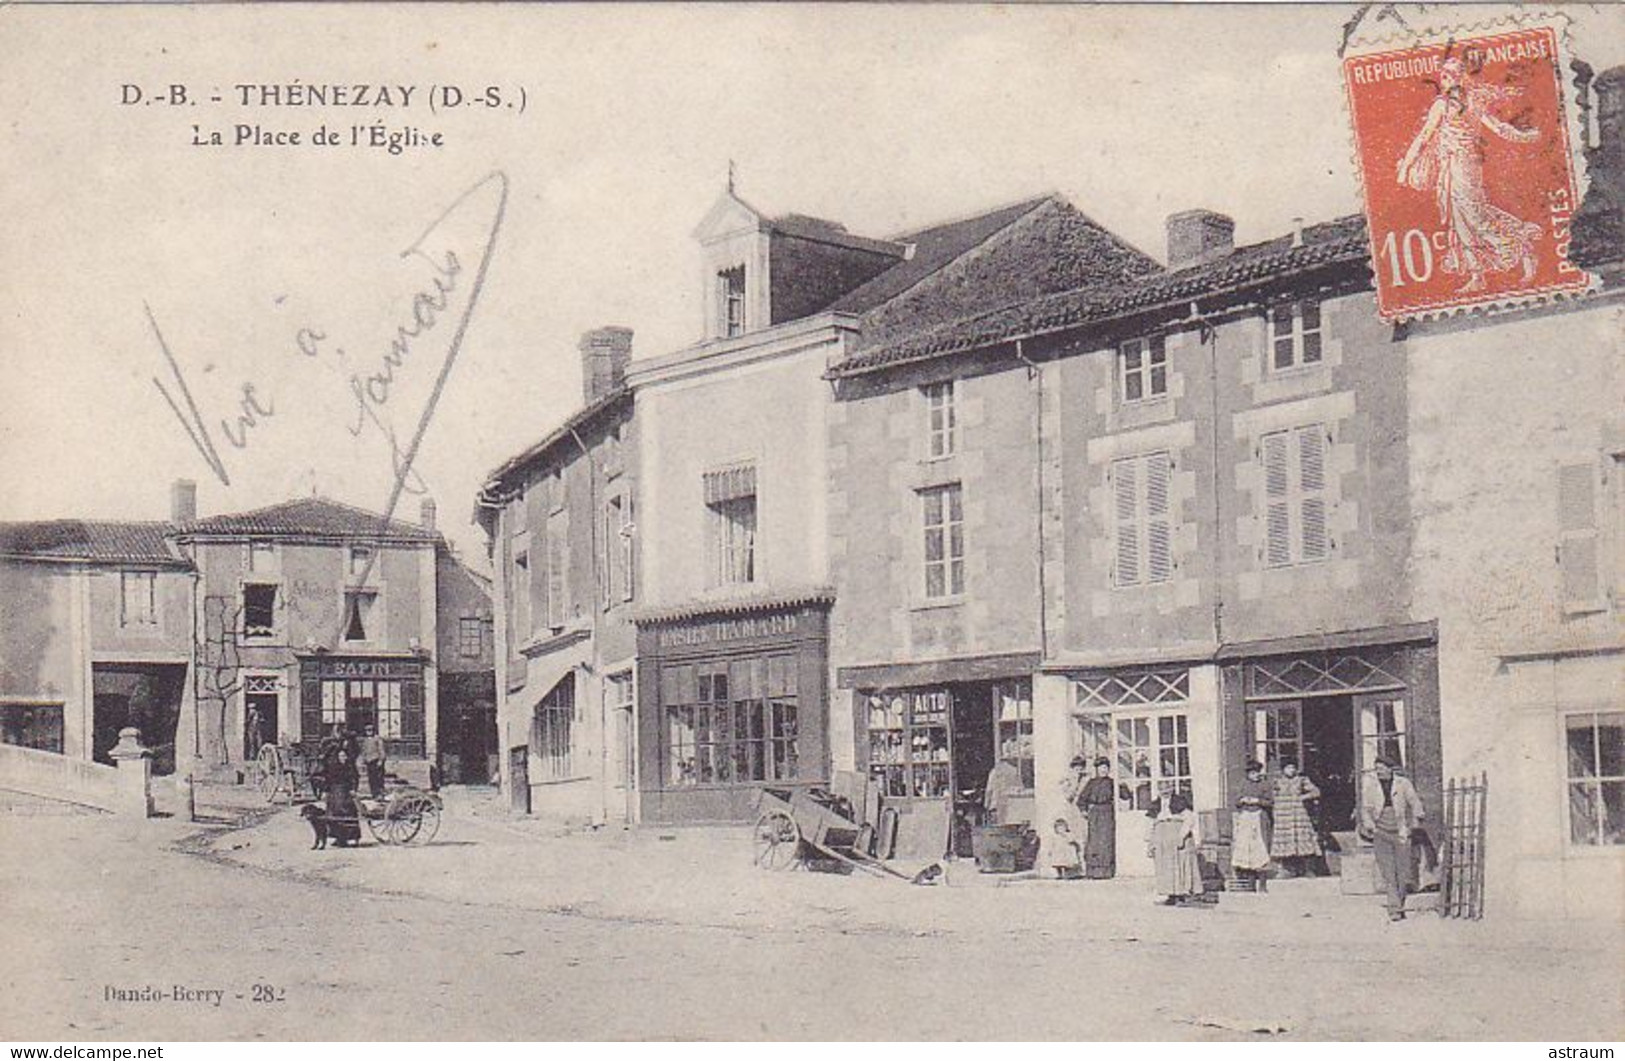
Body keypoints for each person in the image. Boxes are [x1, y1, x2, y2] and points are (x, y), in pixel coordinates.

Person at [1396, 55, 1543, 294]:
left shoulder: (1444, 105)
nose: (1442, 80)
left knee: (1475, 218)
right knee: (1461, 219)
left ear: (1455, 79)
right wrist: (1524, 136)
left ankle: (1519, 247)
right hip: (1456, 167)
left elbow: (1424, 138)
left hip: (1461, 167)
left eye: (1446, 76)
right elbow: (1499, 128)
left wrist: (1405, 169)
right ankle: (1478, 275)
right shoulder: (1468, 101)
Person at [1359, 756, 1426, 922]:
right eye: (1377, 769)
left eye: (1381, 768)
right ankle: (1394, 909)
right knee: (1388, 873)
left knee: (1402, 873)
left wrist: (1415, 822)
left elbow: (1415, 803)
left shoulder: (1403, 783)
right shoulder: (1372, 786)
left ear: (1390, 768)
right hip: (1381, 832)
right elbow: (1365, 808)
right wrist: (1370, 826)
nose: (1379, 772)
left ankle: (1399, 903)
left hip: (1401, 832)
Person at [1148, 791, 1204, 906]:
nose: (1164, 791)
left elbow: (1190, 820)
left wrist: (1182, 836)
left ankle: (1182, 896)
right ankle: (1171, 895)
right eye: (1161, 788)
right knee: (1165, 868)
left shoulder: (1180, 802)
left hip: (1177, 836)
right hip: (1162, 839)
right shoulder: (1155, 805)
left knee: (1180, 866)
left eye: (1167, 788)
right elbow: (1151, 824)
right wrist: (1151, 843)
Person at [1270, 760, 1323, 876]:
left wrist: (1303, 797)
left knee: (1303, 839)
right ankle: (1287, 870)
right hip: (1283, 815)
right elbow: (1271, 797)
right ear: (1283, 770)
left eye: (1293, 768)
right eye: (1288, 768)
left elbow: (1316, 792)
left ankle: (1309, 870)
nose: (1291, 770)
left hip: (1299, 814)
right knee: (1285, 841)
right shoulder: (1277, 781)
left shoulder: (1302, 780)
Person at [1231, 759, 1274, 892]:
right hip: (1246, 818)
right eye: (1252, 773)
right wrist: (1242, 800)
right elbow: (1236, 801)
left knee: (1259, 849)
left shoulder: (1265, 784)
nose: (1255, 775)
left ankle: (1262, 883)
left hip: (1258, 817)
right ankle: (1250, 883)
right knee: (1247, 848)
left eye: (1257, 773)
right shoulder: (1243, 784)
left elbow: (1270, 802)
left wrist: (1258, 801)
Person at [1076, 757, 1117, 879]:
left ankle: (1106, 872)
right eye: (1101, 768)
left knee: (1106, 841)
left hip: (1107, 812)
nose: (1104, 770)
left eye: (1106, 767)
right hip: (1094, 814)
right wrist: (1083, 810)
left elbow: (1124, 795)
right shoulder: (1091, 783)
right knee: (1094, 842)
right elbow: (1081, 799)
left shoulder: (1111, 782)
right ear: (1097, 769)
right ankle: (1093, 872)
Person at [324, 747, 361, 847]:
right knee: (334, 815)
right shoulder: (333, 767)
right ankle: (339, 838)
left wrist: (353, 789)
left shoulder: (350, 767)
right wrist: (326, 791)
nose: (343, 758)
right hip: (334, 792)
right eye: (341, 756)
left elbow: (355, 778)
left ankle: (352, 837)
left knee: (347, 813)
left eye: (345, 756)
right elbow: (328, 779)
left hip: (346, 792)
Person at [359, 725, 387, 798]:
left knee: (378, 778)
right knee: (371, 779)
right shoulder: (365, 740)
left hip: (376, 761)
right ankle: (374, 793)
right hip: (369, 761)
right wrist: (362, 761)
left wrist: (381, 760)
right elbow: (363, 751)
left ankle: (380, 793)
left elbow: (381, 750)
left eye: (370, 730)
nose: (369, 732)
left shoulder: (377, 739)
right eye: (367, 730)